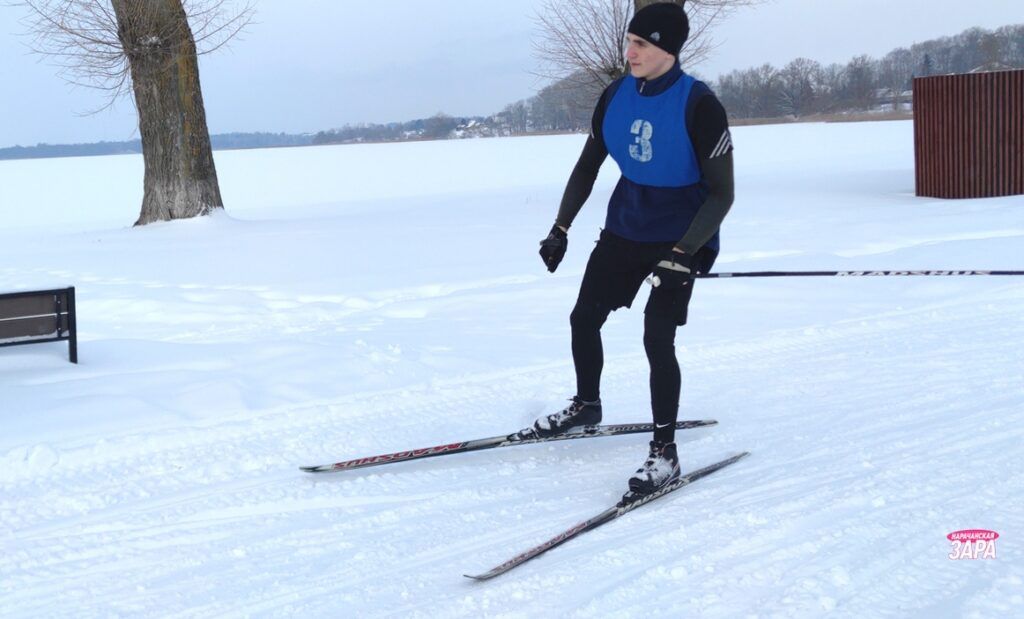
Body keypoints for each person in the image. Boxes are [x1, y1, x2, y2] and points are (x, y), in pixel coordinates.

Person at [526, 2, 735, 496]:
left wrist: (683, 253)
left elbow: (723, 194)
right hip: (626, 224)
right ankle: (587, 405)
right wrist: (560, 227)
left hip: (683, 234)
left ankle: (665, 452)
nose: (630, 51)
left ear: (668, 48)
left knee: (656, 338)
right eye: (629, 41)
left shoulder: (700, 105)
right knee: (583, 318)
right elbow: (587, 167)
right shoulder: (615, 94)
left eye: (641, 43)